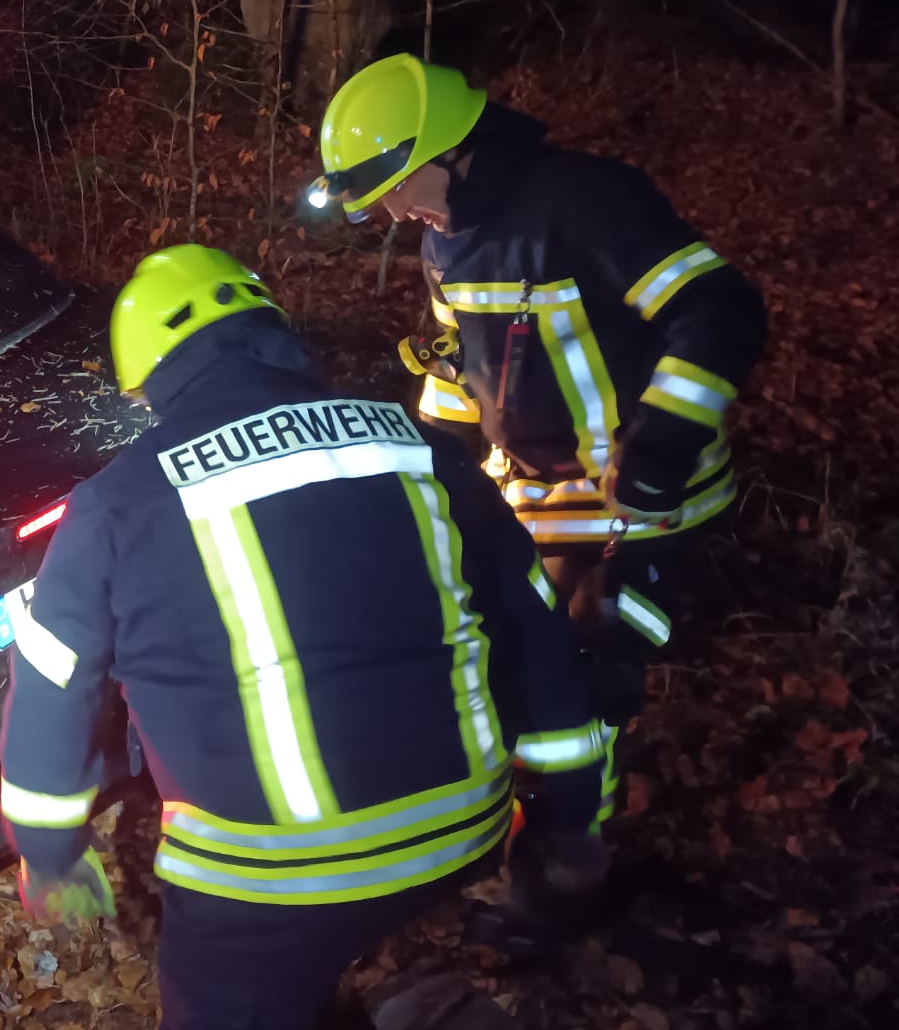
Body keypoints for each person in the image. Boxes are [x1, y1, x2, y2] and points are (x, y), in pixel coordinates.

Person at [0, 245, 608, 1030]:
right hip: (465, 830)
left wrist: (49, 854)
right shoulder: (422, 447)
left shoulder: (115, 502)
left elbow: (52, 686)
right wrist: (570, 816)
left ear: (151, 380)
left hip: (272, 884)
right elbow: (534, 626)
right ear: (274, 333)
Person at [309, 54, 767, 827]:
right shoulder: (446, 241)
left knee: (587, 653)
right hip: (535, 493)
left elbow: (720, 309)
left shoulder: (587, 202)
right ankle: (543, 813)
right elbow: (461, 364)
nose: (394, 213)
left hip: (643, 494)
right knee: (508, 648)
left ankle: (577, 840)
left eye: (396, 189)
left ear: (451, 155)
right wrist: (429, 464)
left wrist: (662, 445)